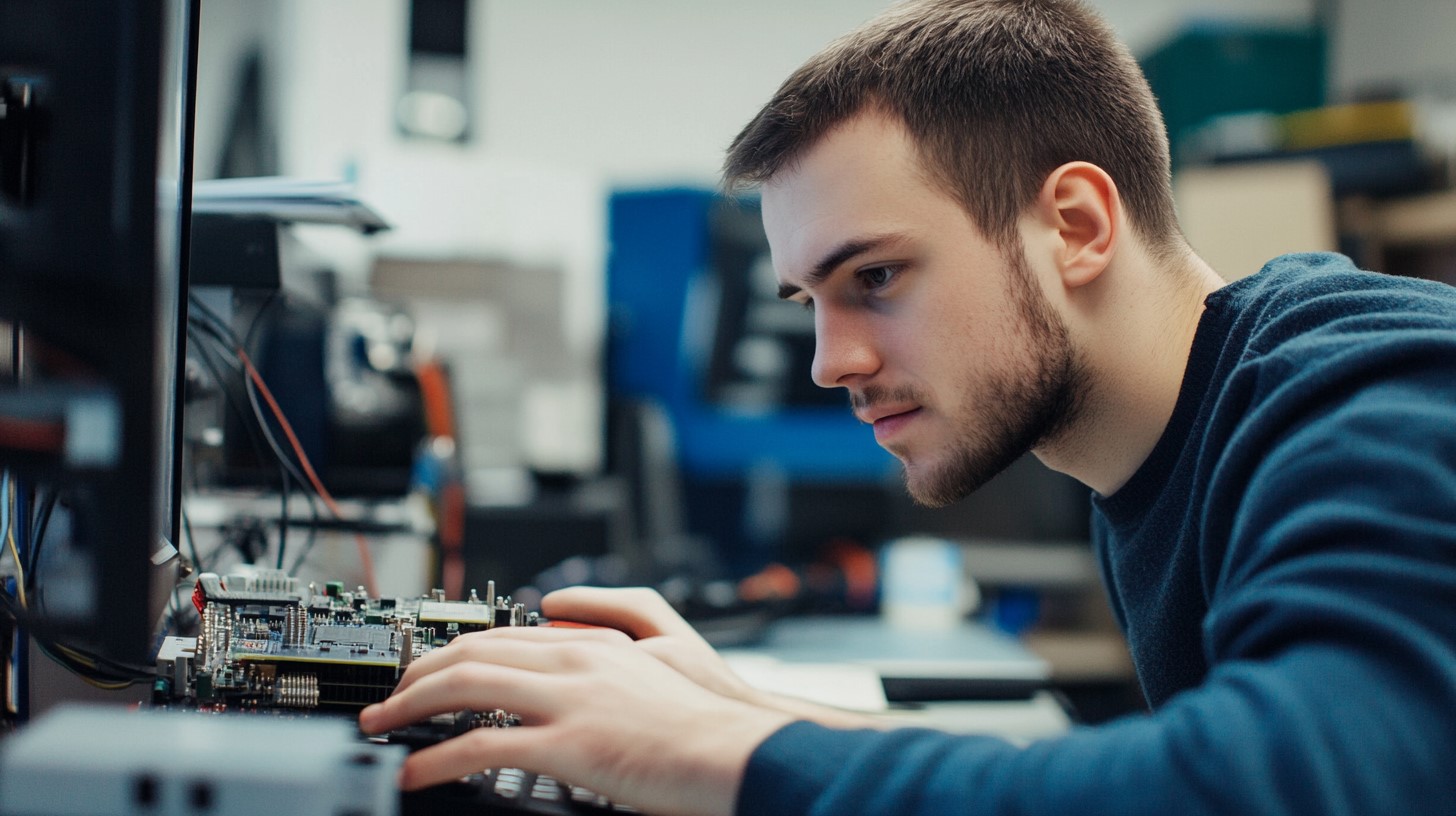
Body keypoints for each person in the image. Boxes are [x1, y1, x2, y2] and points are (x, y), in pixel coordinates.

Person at [360, 0, 1456, 813]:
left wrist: (721, 758)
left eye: (874, 277)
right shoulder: (1151, 460)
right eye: (810, 300)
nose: (828, 363)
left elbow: (1290, 785)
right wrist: (741, 711)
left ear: (1074, 225)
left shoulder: (1370, 387)